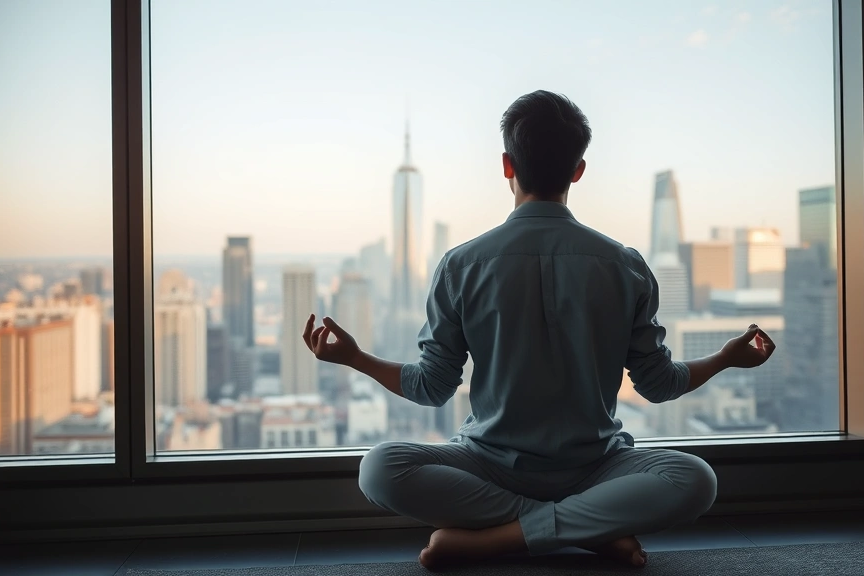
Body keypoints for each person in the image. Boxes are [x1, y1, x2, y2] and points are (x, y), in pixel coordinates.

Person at [303, 90, 776, 570]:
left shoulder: (462, 265)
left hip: (489, 469)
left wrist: (355, 358)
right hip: (597, 471)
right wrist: (727, 358)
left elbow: (432, 387)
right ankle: (586, 532)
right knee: (694, 480)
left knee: (380, 470)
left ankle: (498, 538)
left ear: (507, 166)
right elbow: (658, 385)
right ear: (578, 170)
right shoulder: (625, 266)